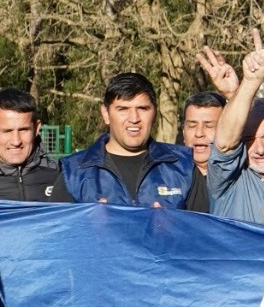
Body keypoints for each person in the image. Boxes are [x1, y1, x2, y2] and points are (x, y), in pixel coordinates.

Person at [201, 31, 264, 228]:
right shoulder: (227, 180)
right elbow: (225, 143)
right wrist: (250, 82)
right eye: (249, 139)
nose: (260, 148)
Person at [61, 72, 196, 211]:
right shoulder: (73, 172)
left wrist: (172, 227)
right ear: (106, 114)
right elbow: (57, 230)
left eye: (142, 109)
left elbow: (205, 228)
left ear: (155, 113)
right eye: (123, 109)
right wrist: (90, 226)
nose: (134, 118)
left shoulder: (184, 166)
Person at [0, 88, 72, 203]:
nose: (16, 141)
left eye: (24, 130)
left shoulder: (62, 178)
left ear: (37, 128)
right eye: (7, 131)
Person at [176, 88, 229, 215]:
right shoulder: (168, 175)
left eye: (209, 126)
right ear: (183, 131)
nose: (199, 133)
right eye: (192, 126)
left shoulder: (239, 177)